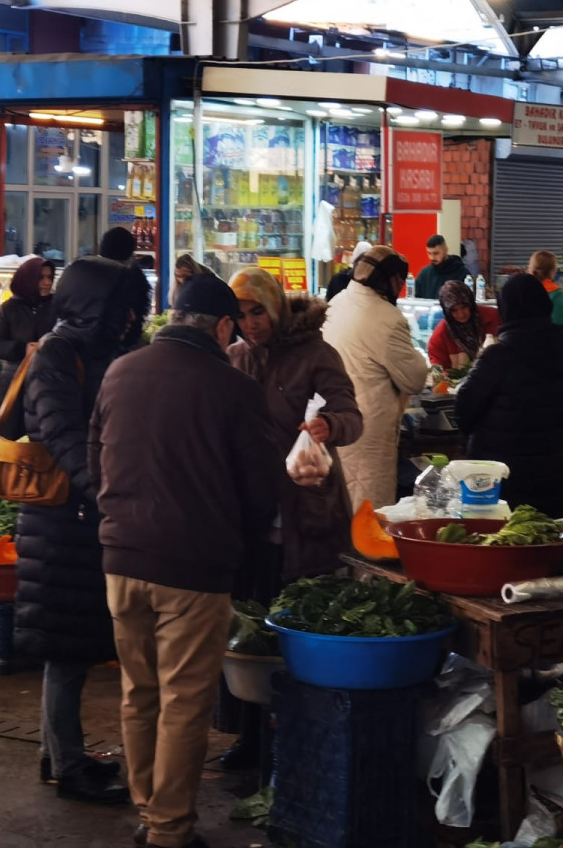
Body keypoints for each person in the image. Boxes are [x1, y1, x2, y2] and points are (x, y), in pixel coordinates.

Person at [91, 274, 282, 848]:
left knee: (139, 692)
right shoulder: (233, 390)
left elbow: (94, 451)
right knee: (183, 701)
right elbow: (260, 491)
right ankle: (169, 831)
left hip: (120, 559)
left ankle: (151, 812)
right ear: (223, 327)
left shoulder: (120, 371)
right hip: (192, 570)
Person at [221, 266, 362, 768]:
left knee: (298, 631)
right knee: (250, 630)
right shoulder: (233, 358)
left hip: (306, 510)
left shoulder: (316, 355)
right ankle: (250, 741)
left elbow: (353, 417)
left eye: (257, 311)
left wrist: (328, 425)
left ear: (276, 306)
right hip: (251, 516)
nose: (250, 323)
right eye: (239, 314)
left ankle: (298, 743)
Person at [12, 256, 139, 806]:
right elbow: (63, 437)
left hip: (83, 515)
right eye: (120, 308)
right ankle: (66, 766)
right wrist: (108, 496)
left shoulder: (96, 351)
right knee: (65, 651)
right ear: (93, 306)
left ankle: (58, 754)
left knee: (74, 644)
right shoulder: (58, 357)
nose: (131, 319)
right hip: (61, 520)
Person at [454, 274, 563, 518]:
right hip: (554, 473)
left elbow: (463, 411)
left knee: (507, 546)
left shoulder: (498, 355)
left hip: (503, 480)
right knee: (544, 542)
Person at [323, 245, 429, 511]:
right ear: (390, 281)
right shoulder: (388, 318)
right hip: (367, 431)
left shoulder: (336, 302)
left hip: (333, 424)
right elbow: (414, 379)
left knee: (339, 509)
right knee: (370, 515)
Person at [0, 256, 58, 384]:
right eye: (41, 278)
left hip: (48, 377)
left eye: (50, 277)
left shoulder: (57, 306)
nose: (47, 283)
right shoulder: (9, 308)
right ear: (29, 280)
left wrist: (48, 346)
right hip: (14, 377)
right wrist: (23, 349)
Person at [427, 280, 500, 369]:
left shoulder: (494, 317)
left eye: (464, 307)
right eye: (454, 310)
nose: (461, 314)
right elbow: (438, 372)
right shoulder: (440, 336)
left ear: (471, 304)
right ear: (447, 312)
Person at [414, 234, 467, 300]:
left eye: (436, 253)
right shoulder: (424, 274)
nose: (432, 257)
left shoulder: (461, 273)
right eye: (429, 253)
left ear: (446, 250)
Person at [527, 250, 563, 326]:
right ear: (553, 270)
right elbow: (559, 324)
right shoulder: (556, 294)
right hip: (547, 336)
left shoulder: (524, 290)